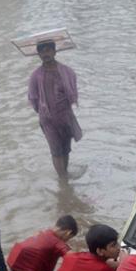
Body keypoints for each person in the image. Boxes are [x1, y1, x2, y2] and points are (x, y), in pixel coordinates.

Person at [28, 40, 83, 178]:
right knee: (56, 150)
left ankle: (65, 175)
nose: (45, 53)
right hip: (48, 119)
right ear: (39, 54)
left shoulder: (67, 72)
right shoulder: (35, 76)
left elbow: (73, 93)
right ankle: (63, 180)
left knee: (66, 149)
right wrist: (44, 111)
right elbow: (33, 98)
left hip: (65, 116)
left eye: (48, 50)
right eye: (42, 51)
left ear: (54, 51)